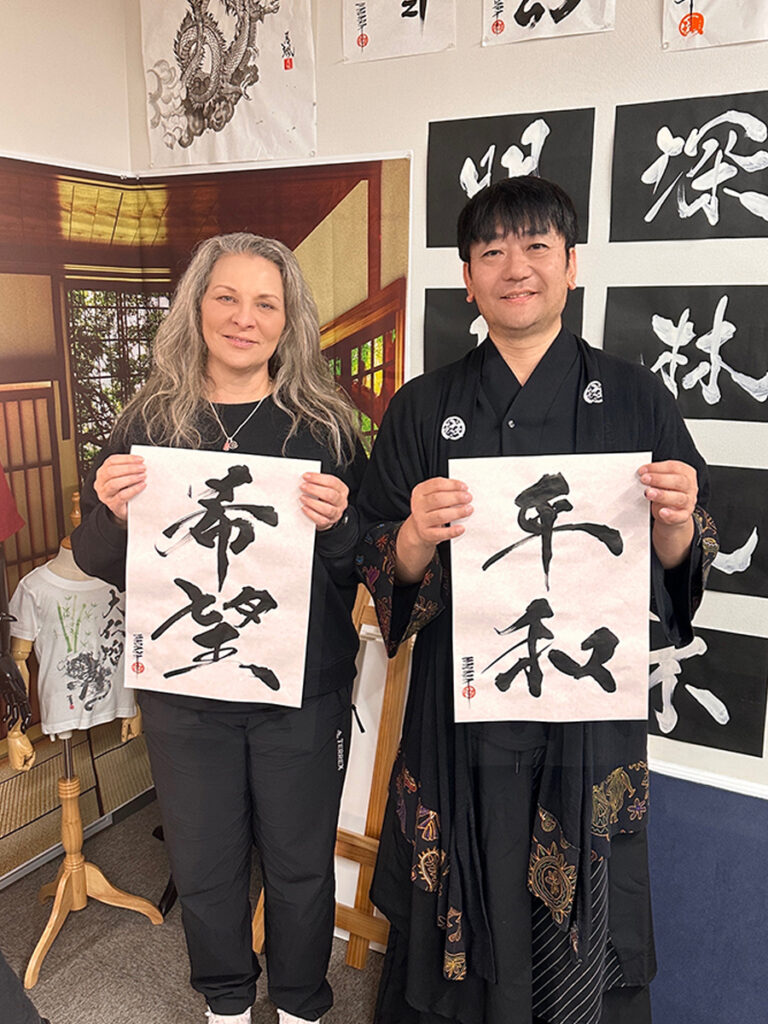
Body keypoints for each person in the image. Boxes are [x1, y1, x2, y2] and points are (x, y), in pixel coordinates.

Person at [356, 177, 718, 1024]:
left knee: (582, 921)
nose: (515, 268)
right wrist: (411, 536)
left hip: (587, 720)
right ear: (467, 277)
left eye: (536, 248)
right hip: (459, 708)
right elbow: (377, 560)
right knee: (459, 903)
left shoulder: (635, 398)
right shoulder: (422, 407)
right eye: (492, 252)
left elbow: (684, 554)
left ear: (572, 264)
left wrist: (673, 523)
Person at [71, 233, 367, 1024]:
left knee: (301, 864)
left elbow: (360, 564)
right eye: (226, 298)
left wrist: (338, 527)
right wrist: (111, 509)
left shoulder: (325, 427)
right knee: (206, 863)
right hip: (184, 692)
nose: (244, 318)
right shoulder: (148, 419)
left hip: (299, 688)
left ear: (289, 318)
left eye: (265, 302)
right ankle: (226, 1008)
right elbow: (98, 557)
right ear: (196, 309)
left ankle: (302, 1006)